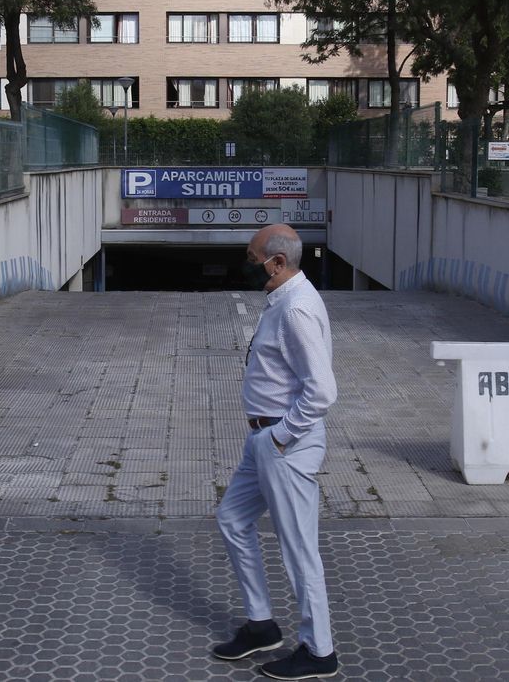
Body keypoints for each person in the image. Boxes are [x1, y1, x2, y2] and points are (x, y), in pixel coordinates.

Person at [213, 224, 339, 680]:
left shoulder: (296, 310)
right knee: (232, 519)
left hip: (283, 442)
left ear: (277, 262)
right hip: (263, 441)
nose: (247, 265)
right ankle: (262, 625)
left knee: (299, 549)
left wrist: (283, 435)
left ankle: (319, 651)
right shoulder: (285, 298)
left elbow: (322, 390)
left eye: (252, 258)